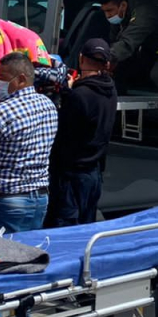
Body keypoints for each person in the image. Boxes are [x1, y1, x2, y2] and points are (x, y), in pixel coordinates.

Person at [0, 52, 59, 234]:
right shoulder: (48, 105)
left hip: (4, 201)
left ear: (20, 79)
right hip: (39, 199)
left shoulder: (2, 112)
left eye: (2, 78)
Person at [99, 0, 158, 135]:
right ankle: (115, 117)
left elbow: (127, 44)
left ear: (122, 5)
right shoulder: (119, 17)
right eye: (104, 11)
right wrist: (110, 65)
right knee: (120, 70)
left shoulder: (144, 14)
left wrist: (100, 60)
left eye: (109, 10)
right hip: (154, 50)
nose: (107, 15)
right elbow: (115, 42)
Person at [50, 39, 119, 226]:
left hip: (72, 176)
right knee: (85, 227)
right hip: (94, 172)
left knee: (64, 228)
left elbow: (63, 132)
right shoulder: (111, 90)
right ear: (106, 64)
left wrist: (67, 93)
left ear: (80, 59)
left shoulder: (79, 96)